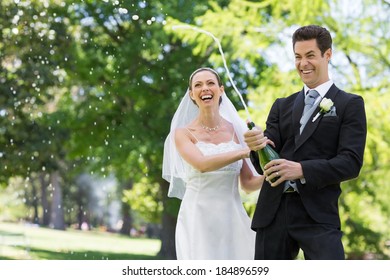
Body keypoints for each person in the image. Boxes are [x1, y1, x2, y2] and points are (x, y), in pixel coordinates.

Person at [244, 25, 367, 260]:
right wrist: (257, 146)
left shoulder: (349, 104)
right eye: (298, 57)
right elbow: (264, 165)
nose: (303, 63)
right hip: (273, 213)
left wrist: (301, 169)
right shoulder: (281, 105)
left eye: (310, 55)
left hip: (319, 214)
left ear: (327, 55)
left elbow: (351, 163)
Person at [163, 67, 263, 260]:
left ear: (221, 90)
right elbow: (202, 164)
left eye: (210, 83)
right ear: (191, 94)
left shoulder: (238, 130)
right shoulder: (182, 133)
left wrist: (271, 175)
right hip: (198, 216)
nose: (205, 88)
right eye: (198, 85)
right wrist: (245, 151)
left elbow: (249, 183)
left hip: (232, 216)